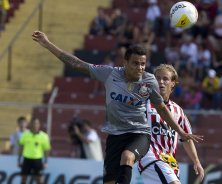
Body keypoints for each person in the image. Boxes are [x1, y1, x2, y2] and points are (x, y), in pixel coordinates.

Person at [31, 31, 203, 184]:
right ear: (125, 62)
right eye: (136, 63)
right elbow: (76, 64)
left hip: (140, 134)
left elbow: (162, 109)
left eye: (143, 64)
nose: (140, 68)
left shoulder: (149, 81)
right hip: (115, 134)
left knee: (127, 156)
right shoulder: (110, 74)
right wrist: (47, 44)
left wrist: (180, 133)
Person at [138, 64, 204, 184]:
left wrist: (197, 162)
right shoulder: (144, 103)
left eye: (165, 79)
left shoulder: (178, 110)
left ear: (173, 83)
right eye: (157, 78)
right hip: (150, 157)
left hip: (170, 162)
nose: (161, 82)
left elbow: (186, 138)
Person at [18, 118, 51, 184]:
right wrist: (19, 159)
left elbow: (46, 150)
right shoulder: (25, 134)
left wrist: (46, 162)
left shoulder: (44, 136)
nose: (35, 125)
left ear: (39, 125)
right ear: (30, 124)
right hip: (26, 159)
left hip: (37, 160)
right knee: (23, 180)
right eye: (33, 123)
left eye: (36, 123)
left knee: (39, 181)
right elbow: (21, 147)